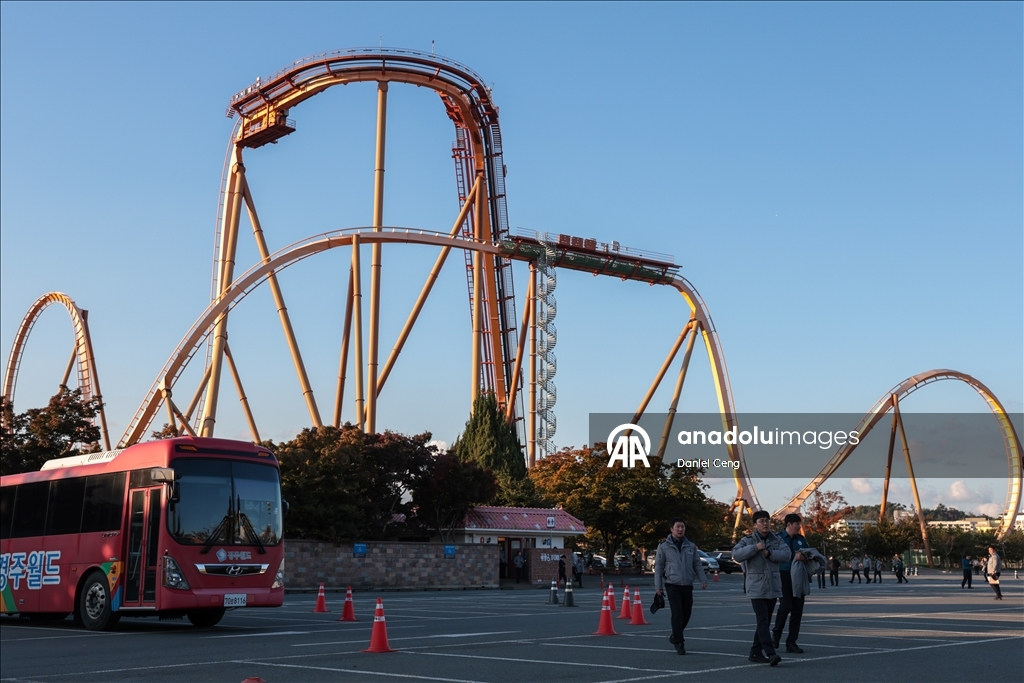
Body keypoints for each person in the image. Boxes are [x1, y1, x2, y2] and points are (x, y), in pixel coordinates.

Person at [733, 510, 790, 666]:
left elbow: (786, 555)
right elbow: (736, 555)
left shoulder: (776, 540)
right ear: (755, 524)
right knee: (762, 619)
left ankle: (755, 652)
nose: (765, 523)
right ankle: (770, 653)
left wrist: (769, 553)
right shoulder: (748, 540)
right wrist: (755, 548)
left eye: (767, 520)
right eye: (761, 521)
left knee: (765, 621)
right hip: (756, 586)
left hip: (772, 585)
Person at [654, 518, 708, 655]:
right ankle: (679, 642)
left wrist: (703, 579)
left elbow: (697, 564)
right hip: (672, 584)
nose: (680, 530)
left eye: (682, 527)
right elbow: (659, 567)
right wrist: (658, 587)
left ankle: (674, 635)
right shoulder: (664, 546)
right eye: (677, 527)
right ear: (671, 529)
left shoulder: (690, 546)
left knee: (687, 613)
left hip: (687, 585)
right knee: (677, 613)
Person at [772, 513, 815, 654]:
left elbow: (810, 555)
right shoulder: (777, 538)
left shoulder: (801, 540)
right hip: (782, 575)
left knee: (797, 609)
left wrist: (804, 557)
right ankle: (775, 636)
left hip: (798, 576)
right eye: (797, 524)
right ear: (789, 524)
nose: (799, 526)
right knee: (785, 606)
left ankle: (792, 642)